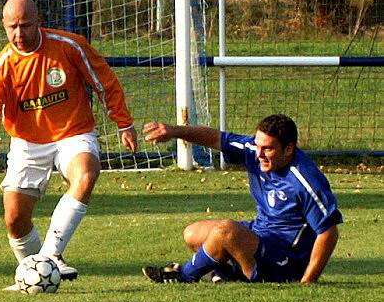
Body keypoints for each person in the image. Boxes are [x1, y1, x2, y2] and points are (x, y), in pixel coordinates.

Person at [0, 0, 138, 290]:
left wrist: (124, 122)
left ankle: (51, 255)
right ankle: (34, 275)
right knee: (15, 219)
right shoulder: (1, 67)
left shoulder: (69, 46)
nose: (19, 34)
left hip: (73, 132)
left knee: (87, 173)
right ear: (4, 27)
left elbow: (104, 80)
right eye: (12, 27)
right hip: (27, 142)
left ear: (39, 22)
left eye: (25, 25)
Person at [141, 114, 342, 285]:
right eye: (257, 145)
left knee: (225, 231)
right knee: (193, 234)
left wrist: (307, 281)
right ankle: (229, 273)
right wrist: (173, 131)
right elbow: (215, 138)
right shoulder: (254, 151)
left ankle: (183, 275)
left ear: (288, 149)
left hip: (285, 259)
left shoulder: (305, 180)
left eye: (268, 149)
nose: (259, 154)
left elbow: (328, 232)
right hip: (260, 235)